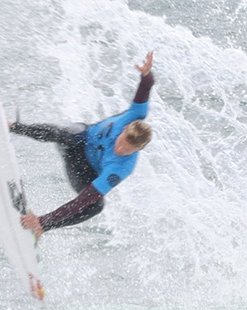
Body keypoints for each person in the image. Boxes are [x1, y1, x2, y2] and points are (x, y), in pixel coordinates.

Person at [10, 51, 155, 240]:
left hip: (81, 171)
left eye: (127, 150)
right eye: (122, 142)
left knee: (95, 205)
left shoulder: (121, 168)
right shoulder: (134, 115)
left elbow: (85, 198)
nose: (120, 150)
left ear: (139, 149)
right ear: (125, 128)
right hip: (77, 141)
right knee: (73, 134)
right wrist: (146, 74)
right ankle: (14, 127)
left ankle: (41, 228)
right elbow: (146, 88)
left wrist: (43, 220)